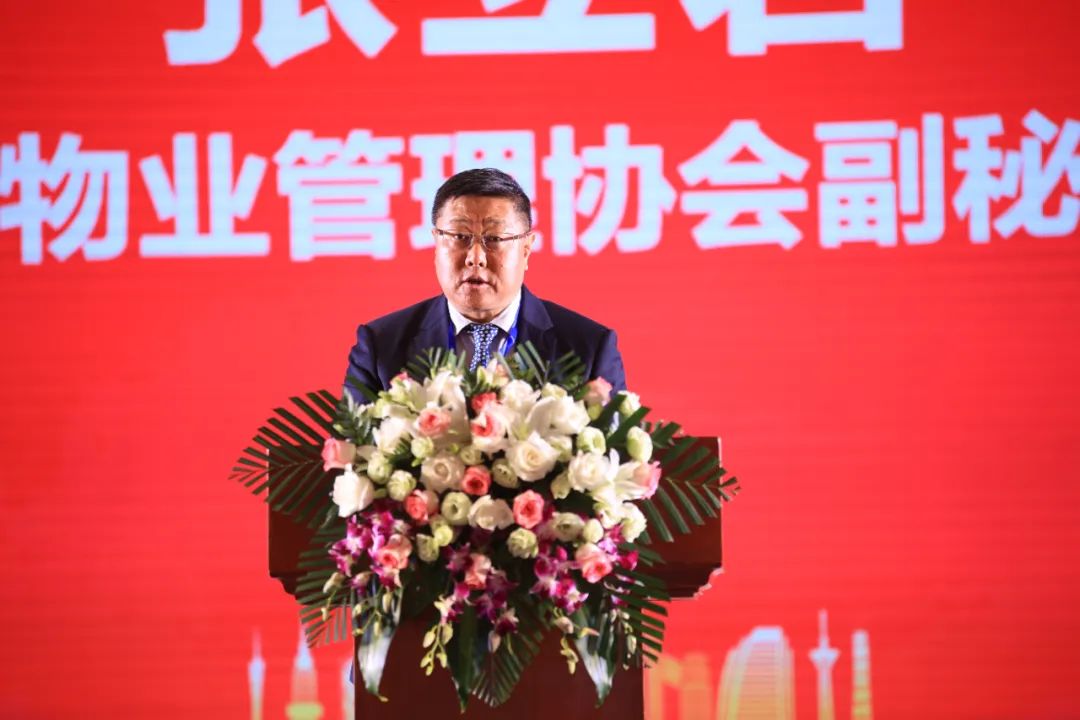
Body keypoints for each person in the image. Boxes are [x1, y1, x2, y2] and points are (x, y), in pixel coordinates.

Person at [344, 168, 626, 401]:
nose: (475, 257)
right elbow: (353, 448)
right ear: (436, 243)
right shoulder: (381, 346)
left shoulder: (588, 347)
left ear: (526, 249)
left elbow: (617, 450)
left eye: (494, 239)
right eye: (459, 237)